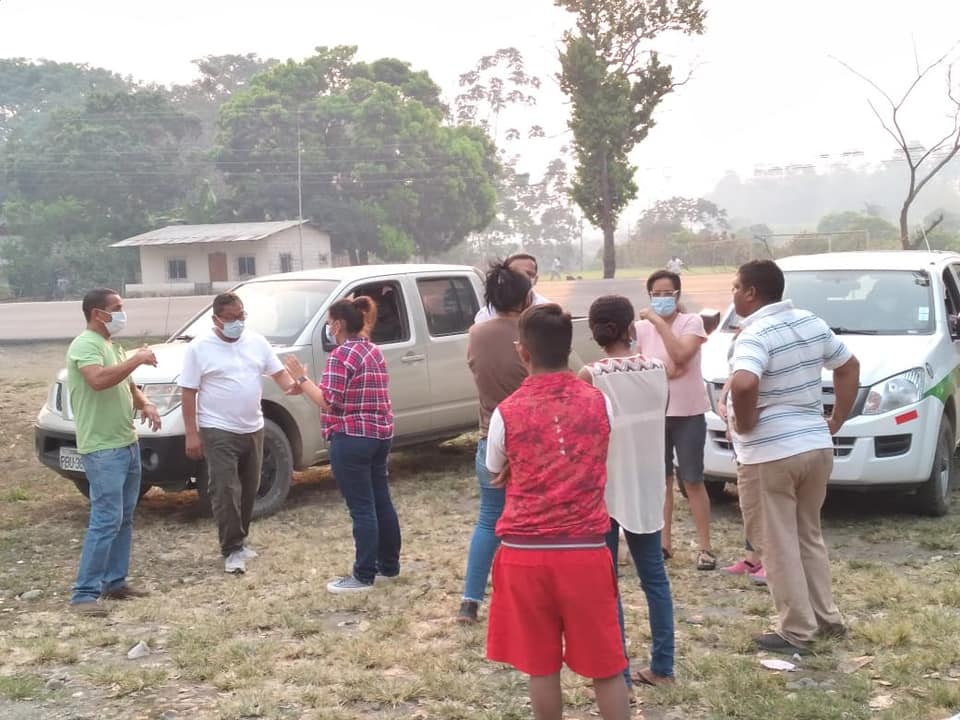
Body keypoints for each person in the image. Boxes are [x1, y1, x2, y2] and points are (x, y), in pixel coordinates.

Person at [485, 304, 630, 720]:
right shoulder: (599, 402)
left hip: (524, 553)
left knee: (541, 667)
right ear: (568, 348)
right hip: (585, 550)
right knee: (607, 667)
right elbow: (600, 451)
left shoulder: (507, 412)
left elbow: (494, 468)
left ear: (523, 351)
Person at [728, 259, 860, 655]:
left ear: (751, 292)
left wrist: (745, 424)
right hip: (815, 445)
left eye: (735, 287)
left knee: (776, 541)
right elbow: (848, 365)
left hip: (771, 453)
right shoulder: (810, 322)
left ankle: (796, 629)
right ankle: (826, 617)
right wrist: (836, 418)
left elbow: (744, 382)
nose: (733, 294)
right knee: (808, 534)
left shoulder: (754, 334)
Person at [579, 295, 675, 688]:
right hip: (648, 483)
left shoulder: (592, 375)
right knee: (654, 578)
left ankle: (618, 675)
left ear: (595, 332)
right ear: (631, 328)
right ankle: (664, 667)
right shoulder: (658, 369)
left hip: (605, 488)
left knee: (607, 587)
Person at [179, 292, 300, 575]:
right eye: (231, 318)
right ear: (216, 320)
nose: (238, 323)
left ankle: (240, 539)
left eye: (241, 316)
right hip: (218, 429)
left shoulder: (257, 343)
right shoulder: (199, 348)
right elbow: (188, 392)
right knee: (225, 489)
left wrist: (296, 384)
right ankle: (231, 548)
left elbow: (281, 377)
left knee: (249, 487)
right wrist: (191, 433)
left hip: (252, 427)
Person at [284, 297, 399, 593]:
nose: (328, 328)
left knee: (362, 508)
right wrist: (305, 385)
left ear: (337, 325)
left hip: (351, 437)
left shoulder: (340, 355)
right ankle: (388, 565)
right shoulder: (373, 350)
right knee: (381, 501)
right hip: (379, 435)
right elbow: (341, 393)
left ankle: (363, 575)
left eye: (328, 323)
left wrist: (301, 378)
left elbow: (328, 401)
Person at [67, 288, 162, 616]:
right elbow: (97, 380)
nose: (122, 313)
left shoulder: (112, 346)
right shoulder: (85, 345)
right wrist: (136, 358)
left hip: (126, 443)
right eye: (117, 308)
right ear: (98, 314)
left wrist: (145, 404)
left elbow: (128, 386)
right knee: (106, 519)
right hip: (103, 448)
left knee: (124, 517)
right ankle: (83, 594)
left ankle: (115, 582)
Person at [457, 262, 532, 623]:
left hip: (491, 438)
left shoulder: (476, 333)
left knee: (488, 520)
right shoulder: (533, 333)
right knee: (529, 523)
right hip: (532, 440)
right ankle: (521, 598)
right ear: (526, 298)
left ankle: (470, 601)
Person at [635, 270, 714, 570]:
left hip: (688, 413)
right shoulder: (641, 329)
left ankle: (705, 548)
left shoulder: (691, 322)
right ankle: (664, 543)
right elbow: (643, 368)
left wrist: (658, 323)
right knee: (662, 481)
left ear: (678, 295)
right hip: (656, 413)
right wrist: (664, 371)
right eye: (655, 294)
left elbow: (680, 356)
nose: (661, 299)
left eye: (667, 294)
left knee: (692, 480)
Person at [474, 253, 551, 323]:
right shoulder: (486, 315)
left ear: (536, 279)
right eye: (516, 273)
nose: (523, 277)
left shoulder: (548, 311)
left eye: (528, 273)